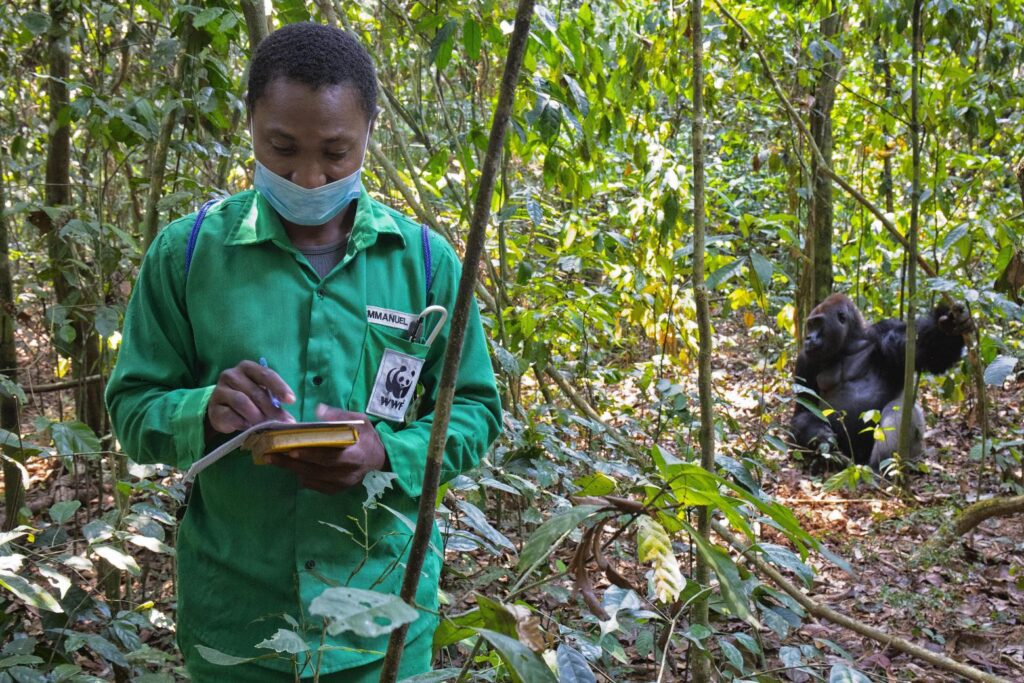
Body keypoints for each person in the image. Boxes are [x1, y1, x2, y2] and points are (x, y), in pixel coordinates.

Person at [105, 23, 502, 681]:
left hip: (383, 619)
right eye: (282, 148)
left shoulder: (427, 266)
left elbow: (477, 408)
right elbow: (131, 405)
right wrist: (207, 407)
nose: (309, 176)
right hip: (238, 622)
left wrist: (387, 452)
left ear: (370, 133)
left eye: (336, 153)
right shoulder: (188, 254)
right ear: (252, 124)